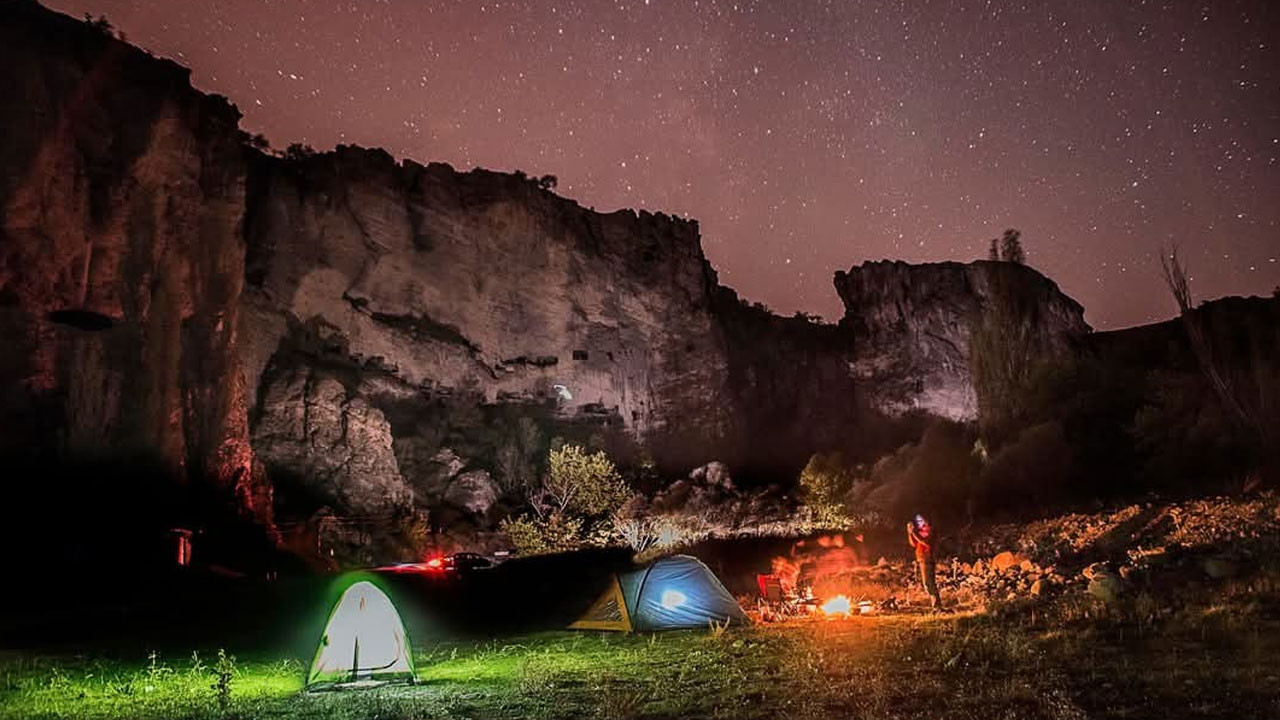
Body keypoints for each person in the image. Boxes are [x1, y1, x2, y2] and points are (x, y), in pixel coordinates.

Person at [907, 514, 941, 609]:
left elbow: (925, 542)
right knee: (927, 583)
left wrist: (914, 533)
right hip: (921, 559)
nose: (919, 523)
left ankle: (937, 605)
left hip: (928, 559)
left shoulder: (931, 531)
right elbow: (913, 544)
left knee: (929, 583)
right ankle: (936, 605)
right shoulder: (921, 532)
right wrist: (910, 533)